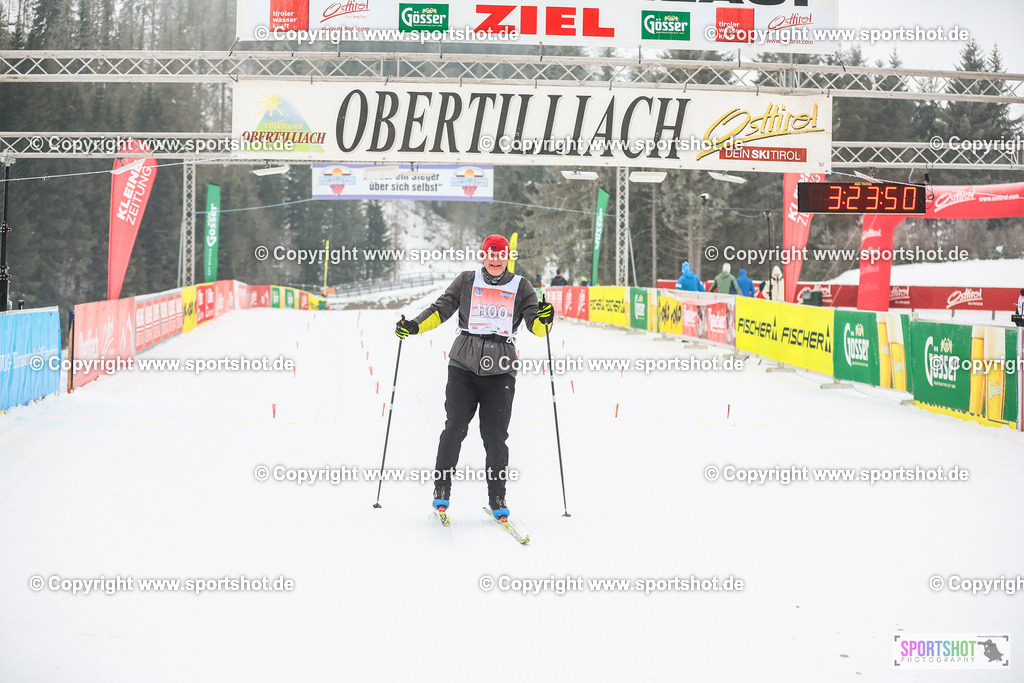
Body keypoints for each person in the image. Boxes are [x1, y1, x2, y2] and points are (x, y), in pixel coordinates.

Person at [395, 234, 554, 520]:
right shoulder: (467, 280)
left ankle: (497, 498)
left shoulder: (522, 287)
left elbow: (537, 328)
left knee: (495, 437)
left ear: (507, 257)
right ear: (484, 256)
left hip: (501, 370)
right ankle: (441, 490)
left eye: (500, 255)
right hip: (463, 367)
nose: (495, 260)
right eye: (490, 255)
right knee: (454, 428)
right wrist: (414, 327)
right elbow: (441, 309)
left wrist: (545, 318)